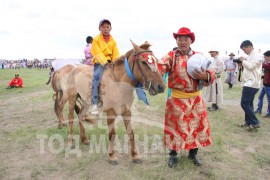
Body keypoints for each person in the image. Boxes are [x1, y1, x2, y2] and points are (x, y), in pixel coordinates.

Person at [158, 27, 215, 167]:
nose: (182, 41)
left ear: (191, 41)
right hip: (177, 100)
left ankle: (193, 154)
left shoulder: (199, 56)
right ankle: (173, 155)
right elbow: (160, 67)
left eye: (185, 39)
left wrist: (206, 76)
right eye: (179, 39)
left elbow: (211, 73)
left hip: (196, 100)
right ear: (176, 41)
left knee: (196, 128)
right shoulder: (171, 56)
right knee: (175, 128)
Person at [90, 19, 120, 115]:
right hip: (100, 63)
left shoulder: (113, 41)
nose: (105, 29)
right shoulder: (96, 39)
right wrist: (105, 62)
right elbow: (97, 52)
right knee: (96, 79)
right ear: (99, 28)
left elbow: (116, 53)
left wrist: (114, 62)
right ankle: (94, 104)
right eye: (103, 27)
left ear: (111, 28)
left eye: (107, 27)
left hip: (111, 64)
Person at [238, 40, 263, 130]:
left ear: (249, 47)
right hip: (250, 82)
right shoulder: (251, 55)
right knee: (249, 103)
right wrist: (242, 63)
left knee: (244, 103)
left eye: (244, 49)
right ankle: (248, 122)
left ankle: (255, 122)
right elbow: (249, 67)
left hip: (251, 83)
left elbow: (252, 66)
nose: (244, 52)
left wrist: (243, 61)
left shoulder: (256, 55)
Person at [254, 50, 270, 118]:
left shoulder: (268, 64)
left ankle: (269, 113)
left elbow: (263, 65)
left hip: (268, 84)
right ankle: (259, 109)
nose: (265, 58)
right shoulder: (268, 63)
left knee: (269, 99)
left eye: (265, 57)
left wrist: (258, 61)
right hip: (265, 83)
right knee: (260, 97)